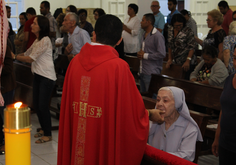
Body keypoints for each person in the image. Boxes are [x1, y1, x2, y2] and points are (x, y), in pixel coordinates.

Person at [57, 14, 164, 165]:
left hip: (77, 140)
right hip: (101, 141)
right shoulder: (118, 68)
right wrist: (150, 114)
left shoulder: (74, 63)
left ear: (93, 35)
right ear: (119, 40)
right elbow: (130, 114)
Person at [11, 15, 57, 143]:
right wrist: (15, 55)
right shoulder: (37, 40)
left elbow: (31, 58)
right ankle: (43, 128)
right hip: (38, 76)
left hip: (47, 78)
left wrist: (14, 57)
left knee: (43, 105)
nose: (32, 25)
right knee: (36, 104)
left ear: (41, 27)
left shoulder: (45, 40)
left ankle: (48, 134)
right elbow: (26, 53)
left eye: (35, 23)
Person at [149, 86, 203, 162]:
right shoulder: (154, 121)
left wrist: (157, 155)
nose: (159, 104)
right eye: (158, 100)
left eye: (165, 100)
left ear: (177, 103)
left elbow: (185, 157)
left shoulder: (190, 128)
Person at [212, 44, 236, 165]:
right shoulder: (229, 79)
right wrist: (217, 137)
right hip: (225, 141)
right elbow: (224, 109)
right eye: (235, 58)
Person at [138, 13, 165, 92]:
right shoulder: (143, 34)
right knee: (144, 98)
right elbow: (145, 51)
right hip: (142, 70)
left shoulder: (157, 36)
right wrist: (140, 54)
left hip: (151, 73)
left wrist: (145, 56)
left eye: (143, 20)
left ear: (148, 22)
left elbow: (161, 53)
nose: (141, 22)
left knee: (152, 98)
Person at [166, 14, 196, 80]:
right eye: (176, 26)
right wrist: (170, 58)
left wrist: (188, 60)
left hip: (186, 61)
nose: (178, 27)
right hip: (175, 61)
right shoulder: (170, 30)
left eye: (180, 25)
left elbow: (192, 47)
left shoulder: (188, 31)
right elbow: (170, 45)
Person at [0, 38, 16, 154]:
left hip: (5, 87)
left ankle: (7, 143)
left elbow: (9, 68)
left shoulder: (4, 45)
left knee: (5, 117)